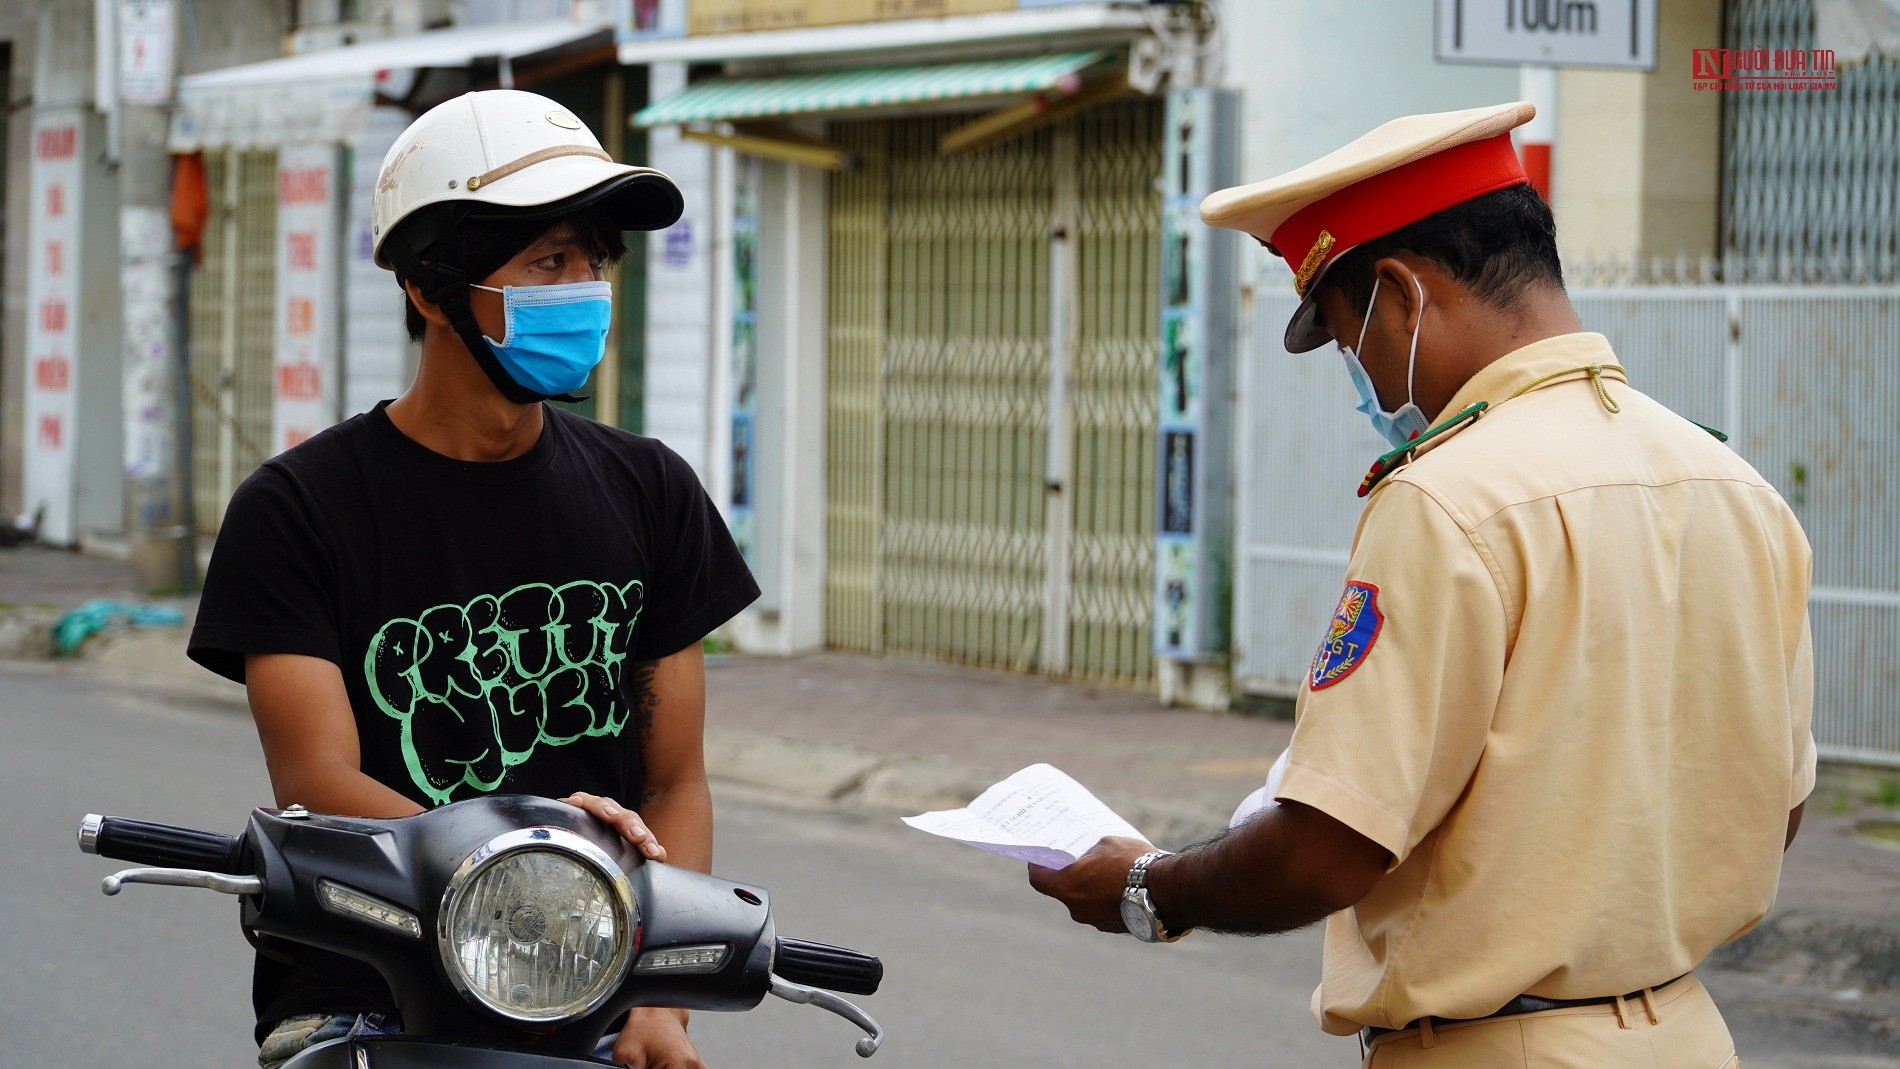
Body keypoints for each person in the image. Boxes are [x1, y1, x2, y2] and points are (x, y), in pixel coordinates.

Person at [1028, 101, 1814, 1068]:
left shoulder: (1448, 499)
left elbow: (1327, 848)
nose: (1358, 373)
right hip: (1685, 1036)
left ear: (1402, 292)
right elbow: (1773, 803)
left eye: (1349, 333)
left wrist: (1150, 886)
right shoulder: (1733, 485)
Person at [188, 89, 758, 1069]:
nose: (584, 287)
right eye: (548, 261)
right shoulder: (298, 507)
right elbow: (318, 780)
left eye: (592, 260)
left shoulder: (651, 489)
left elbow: (674, 777)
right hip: (363, 997)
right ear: (429, 284)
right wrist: (537, 854)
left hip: (588, 989)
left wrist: (662, 997)